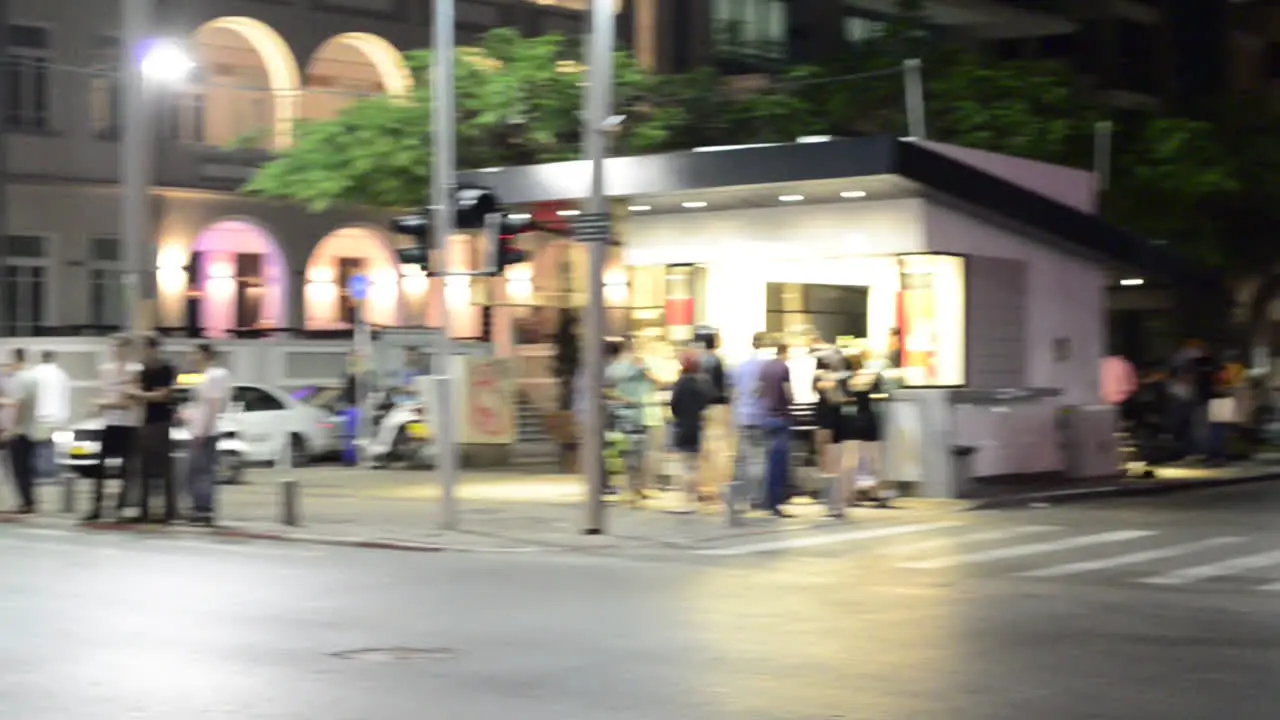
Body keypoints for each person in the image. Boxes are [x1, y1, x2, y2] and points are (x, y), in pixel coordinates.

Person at [84, 335, 141, 522]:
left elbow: (128, 402)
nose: (118, 352)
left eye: (122, 348)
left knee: (126, 468)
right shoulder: (106, 370)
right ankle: (97, 506)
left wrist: (104, 403)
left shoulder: (135, 370)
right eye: (116, 348)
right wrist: (103, 404)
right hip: (110, 423)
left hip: (128, 424)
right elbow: (103, 394)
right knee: (100, 466)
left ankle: (121, 507)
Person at [131, 334, 177, 523]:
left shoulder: (166, 369)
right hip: (146, 421)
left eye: (146, 348)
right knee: (144, 468)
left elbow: (163, 395)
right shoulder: (143, 370)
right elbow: (136, 391)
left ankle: (169, 510)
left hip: (161, 421)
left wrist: (141, 395)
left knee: (164, 468)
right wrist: (142, 394)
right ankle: (144, 509)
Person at [605, 336, 657, 500]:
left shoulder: (614, 368)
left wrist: (619, 399)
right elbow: (656, 381)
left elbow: (606, 388)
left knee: (629, 452)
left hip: (625, 414)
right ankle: (637, 487)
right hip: (636, 414)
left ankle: (633, 487)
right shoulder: (637, 365)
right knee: (637, 452)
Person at [185, 343, 229, 525]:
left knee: (201, 472)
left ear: (205, 355)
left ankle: (204, 510)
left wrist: (203, 431)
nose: (191, 357)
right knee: (197, 471)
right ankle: (199, 508)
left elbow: (214, 405)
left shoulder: (215, 376)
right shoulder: (204, 377)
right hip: (200, 430)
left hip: (206, 432)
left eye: (195, 353)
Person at [731, 332, 771, 509]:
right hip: (760, 416)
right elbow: (762, 391)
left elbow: (735, 392)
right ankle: (756, 497)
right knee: (759, 459)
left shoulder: (742, 367)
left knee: (743, 459)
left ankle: (740, 496)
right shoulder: (766, 367)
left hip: (742, 416)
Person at [841, 352, 886, 504]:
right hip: (868, 419)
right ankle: (873, 491)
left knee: (853, 459)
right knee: (872, 456)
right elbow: (883, 392)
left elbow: (844, 398)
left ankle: (851, 493)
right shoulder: (871, 376)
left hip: (851, 420)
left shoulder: (847, 380)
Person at [669, 350, 710, 513]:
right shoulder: (699, 384)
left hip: (682, 427)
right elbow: (705, 403)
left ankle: (687, 500)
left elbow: (674, 406)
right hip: (696, 426)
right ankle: (692, 498)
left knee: (686, 466)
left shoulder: (680, 384)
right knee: (693, 465)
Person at [0, 349, 39, 513]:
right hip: (28, 428)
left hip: (18, 430)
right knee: (23, 468)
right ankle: (27, 502)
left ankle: (26, 502)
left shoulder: (21, 379)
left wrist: (13, 429)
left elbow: (19, 406)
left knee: (19, 468)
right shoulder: (31, 378)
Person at [758, 340, 793, 518]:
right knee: (779, 464)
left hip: (766, 418)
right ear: (784, 352)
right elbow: (788, 392)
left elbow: (758, 390)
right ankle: (775, 503)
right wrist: (791, 402)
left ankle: (765, 499)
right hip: (780, 418)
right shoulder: (783, 368)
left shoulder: (765, 368)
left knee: (768, 462)